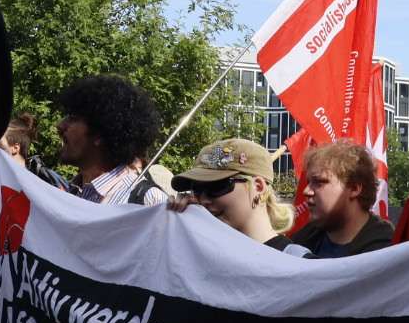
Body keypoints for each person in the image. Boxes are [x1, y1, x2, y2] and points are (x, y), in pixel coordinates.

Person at [168, 138, 307, 253]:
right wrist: (175, 226)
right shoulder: (202, 254)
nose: (203, 200)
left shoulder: (300, 264)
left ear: (258, 187)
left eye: (217, 186)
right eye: (197, 189)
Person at [53, 75, 168, 205]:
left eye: (73, 118)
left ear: (99, 133)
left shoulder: (150, 201)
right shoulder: (70, 193)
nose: (60, 126)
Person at [294, 139, 394, 256]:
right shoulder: (304, 238)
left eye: (319, 182)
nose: (306, 191)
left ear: (354, 189)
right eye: (309, 182)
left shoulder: (387, 252)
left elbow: (338, 274)